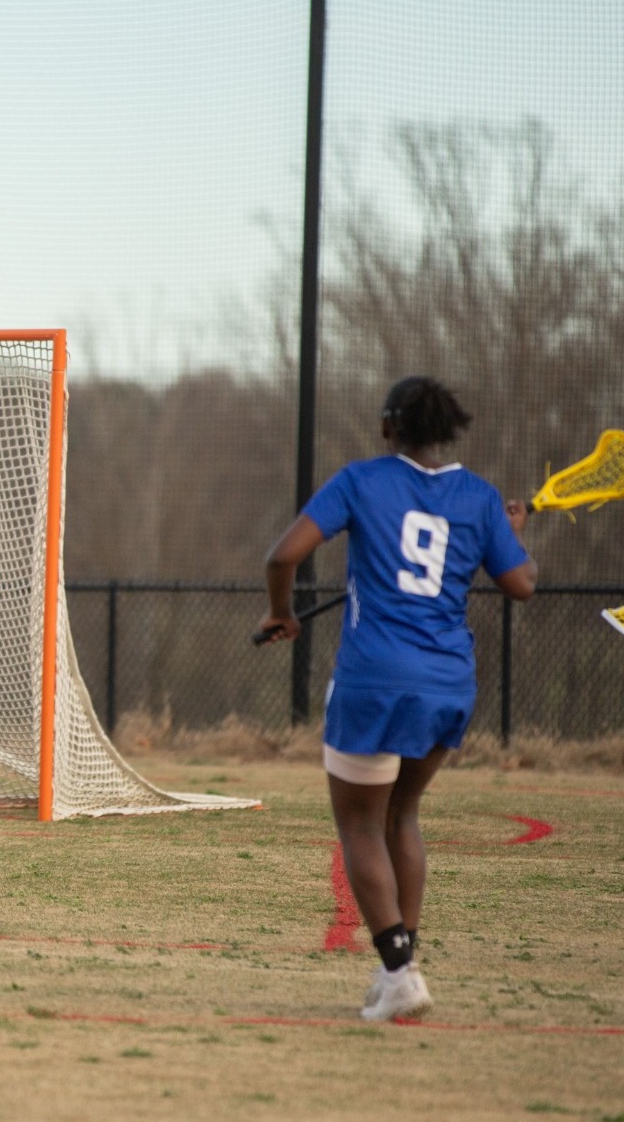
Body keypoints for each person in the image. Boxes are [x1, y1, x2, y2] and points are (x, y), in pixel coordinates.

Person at [257, 376, 535, 1022]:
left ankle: (399, 970)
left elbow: (282, 556)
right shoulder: (482, 497)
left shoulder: (361, 480)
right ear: (449, 431)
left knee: (360, 823)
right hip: (448, 683)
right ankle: (400, 970)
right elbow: (519, 582)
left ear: (389, 428)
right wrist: (511, 531)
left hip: (374, 677)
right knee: (400, 815)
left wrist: (283, 612)